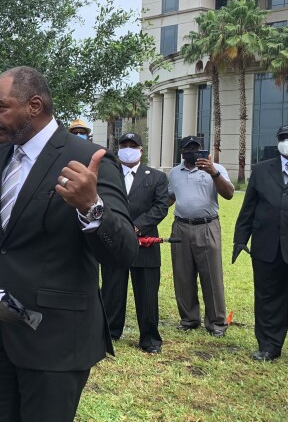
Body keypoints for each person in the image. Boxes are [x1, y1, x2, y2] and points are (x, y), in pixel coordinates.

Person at [0, 66, 137, 422]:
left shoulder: (88, 159)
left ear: (34, 105)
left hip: (54, 338)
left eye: (0, 107)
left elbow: (124, 251)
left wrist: (91, 207)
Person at [100, 132, 169, 354]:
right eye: (124, 144)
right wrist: (117, 227)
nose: (128, 148)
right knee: (112, 289)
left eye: (133, 145)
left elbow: (160, 207)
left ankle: (149, 339)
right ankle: (110, 333)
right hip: (114, 242)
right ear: (118, 148)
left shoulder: (156, 177)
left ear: (141, 150)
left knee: (147, 293)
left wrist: (136, 227)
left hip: (145, 243)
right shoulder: (107, 175)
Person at [168, 135, 234, 337]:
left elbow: (229, 193)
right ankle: (189, 319)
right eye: (189, 149)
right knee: (182, 274)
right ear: (182, 152)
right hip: (180, 226)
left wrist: (213, 172)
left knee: (211, 275)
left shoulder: (217, 169)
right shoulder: (174, 173)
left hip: (207, 227)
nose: (193, 152)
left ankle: (216, 323)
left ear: (202, 150)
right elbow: (169, 197)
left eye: (197, 148)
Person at [233, 124, 288, 361]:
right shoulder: (262, 170)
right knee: (267, 298)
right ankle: (268, 346)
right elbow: (248, 209)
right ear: (277, 141)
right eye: (284, 137)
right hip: (267, 247)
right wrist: (239, 240)